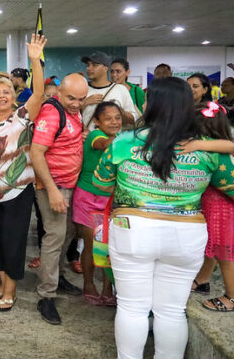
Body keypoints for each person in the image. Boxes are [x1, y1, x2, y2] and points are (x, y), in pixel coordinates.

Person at [92, 77, 234, 359]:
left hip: (132, 230)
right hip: (186, 235)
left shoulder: (123, 142)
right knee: (171, 311)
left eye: (147, 98)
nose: (143, 103)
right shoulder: (207, 147)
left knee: (132, 307)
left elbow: (101, 183)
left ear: (154, 104)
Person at [0, 34, 46, 312]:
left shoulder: (22, 116)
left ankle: (11, 290)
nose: (2, 96)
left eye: (6, 92)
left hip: (17, 191)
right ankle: (3, 282)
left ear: (13, 96)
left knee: (13, 240)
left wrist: (34, 60)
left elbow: (40, 93)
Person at [30, 73, 88, 325]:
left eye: (82, 99)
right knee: (54, 236)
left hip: (72, 183)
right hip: (54, 185)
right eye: (72, 98)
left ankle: (57, 276)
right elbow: (37, 152)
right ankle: (46, 295)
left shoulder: (73, 111)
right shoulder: (52, 112)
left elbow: (63, 138)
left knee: (68, 233)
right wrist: (52, 190)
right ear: (60, 94)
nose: (77, 103)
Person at [72, 102, 122, 306]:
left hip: (110, 198)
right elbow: (104, 145)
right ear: (96, 122)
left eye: (117, 118)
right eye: (108, 118)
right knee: (92, 245)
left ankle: (107, 287)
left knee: (110, 246)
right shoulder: (95, 136)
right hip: (88, 196)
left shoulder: (121, 139)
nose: (114, 122)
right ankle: (88, 283)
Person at [186, 101, 234, 313]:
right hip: (215, 209)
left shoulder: (216, 150)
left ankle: (232, 297)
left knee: (225, 254)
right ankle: (203, 280)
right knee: (213, 249)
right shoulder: (219, 146)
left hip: (224, 210)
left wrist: (198, 145)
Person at [81, 52, 138, 129]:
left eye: (95, 65)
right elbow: (69, 118)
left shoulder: (120, 89)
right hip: (88, 139)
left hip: (113, 140)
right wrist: (84, 103)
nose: (89, 68)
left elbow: (134, 118)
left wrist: (118, 111)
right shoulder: (81, 88)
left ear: (105, 68)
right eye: (88, 65)